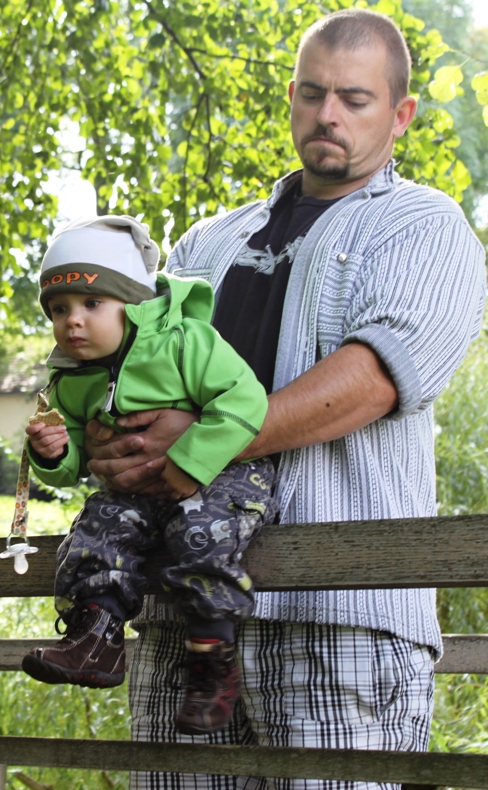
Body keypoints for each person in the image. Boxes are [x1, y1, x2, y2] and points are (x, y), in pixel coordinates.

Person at [84, 9, 487, 790]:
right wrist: (110, 434)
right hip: (186, 613)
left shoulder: (423, 227)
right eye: (311, 94)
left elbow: (373, 380)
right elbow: (136, 370)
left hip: (337, 610)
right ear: (292, 99)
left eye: (354, 98)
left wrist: (196, 443)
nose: (328, 114)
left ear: (400, 114)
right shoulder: (209, 242)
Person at [20, 214, 277, 735]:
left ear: (131, 303)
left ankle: (211, 660)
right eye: (59, 309)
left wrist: (190, 462)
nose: (74, 321)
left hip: (223, 472)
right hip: (139, 491)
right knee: (96, 526)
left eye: (92, 304)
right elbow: (74, 469)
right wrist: (52, 451)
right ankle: (96, 635)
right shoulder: (70, 380)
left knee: (201, 531)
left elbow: (245, 398)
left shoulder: (185, 340)